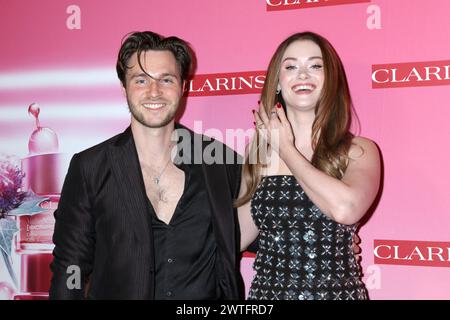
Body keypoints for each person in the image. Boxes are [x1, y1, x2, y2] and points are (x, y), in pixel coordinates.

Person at [49, 31, 243, 300]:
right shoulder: (89, 167)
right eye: (141, 80)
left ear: (183, 87)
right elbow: (70, 265)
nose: (154, 91)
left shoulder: (218, 160)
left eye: (166, 79)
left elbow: (267, 223)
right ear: (124, 87)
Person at [236, 31, 380, 300]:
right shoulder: (258, 154)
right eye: (290, 67)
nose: (302, 75)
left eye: (315, 66)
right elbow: (237, 236)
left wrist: (286, 149)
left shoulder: (358, 150)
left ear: (331, 80)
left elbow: (345, 209)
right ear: (277, 82)